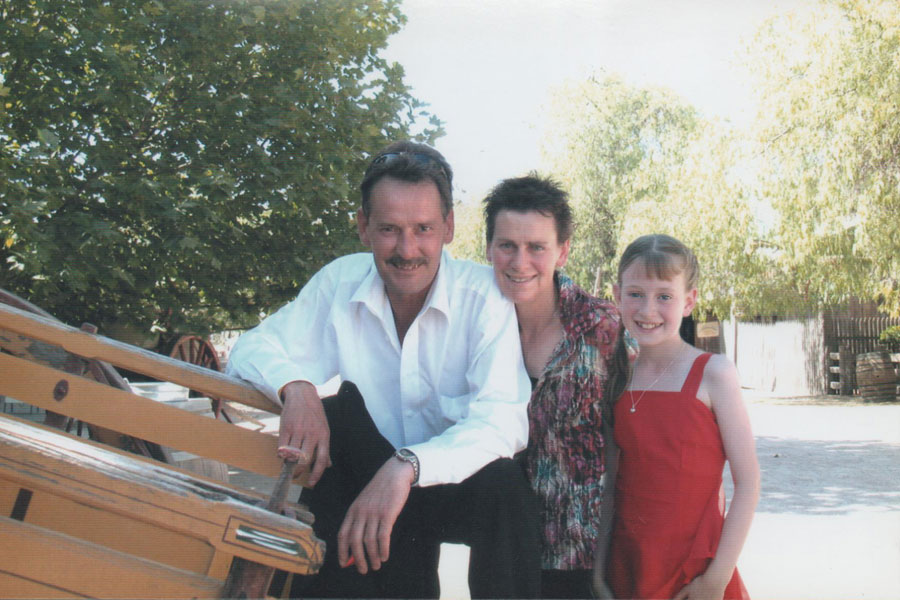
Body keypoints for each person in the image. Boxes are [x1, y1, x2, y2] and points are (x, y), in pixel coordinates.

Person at [226, 141, 540, 599]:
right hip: (361, 487)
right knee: (335, 416)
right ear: (362, 227)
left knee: (506, 487)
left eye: (424, 228)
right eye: (390, 229)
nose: (407, 249)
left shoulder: (482, 297)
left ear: (449, 227)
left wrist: (407, 467)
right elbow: (251, 348)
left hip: (446, 483)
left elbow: (501, 420)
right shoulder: (339, 281)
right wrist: (295, 386)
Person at [483, 175, 625, 599]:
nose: (519, 261)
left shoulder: (603, 328)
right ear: (489, 248)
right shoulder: (475, 327)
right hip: (502, 552)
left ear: (563, 251)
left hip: (587, 557)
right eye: (507, 245)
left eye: (537, 247)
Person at [600, 233, 760, 600]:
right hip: (628, 569)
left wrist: (716, 580)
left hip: (696, 575)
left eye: (664, 297)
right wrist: (598, 575)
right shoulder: (615, 377)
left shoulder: (714, 373)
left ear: (689, 301)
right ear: (616, 295)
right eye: (635, 293)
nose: (648, 310)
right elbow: (611, 485)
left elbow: (748, 484)